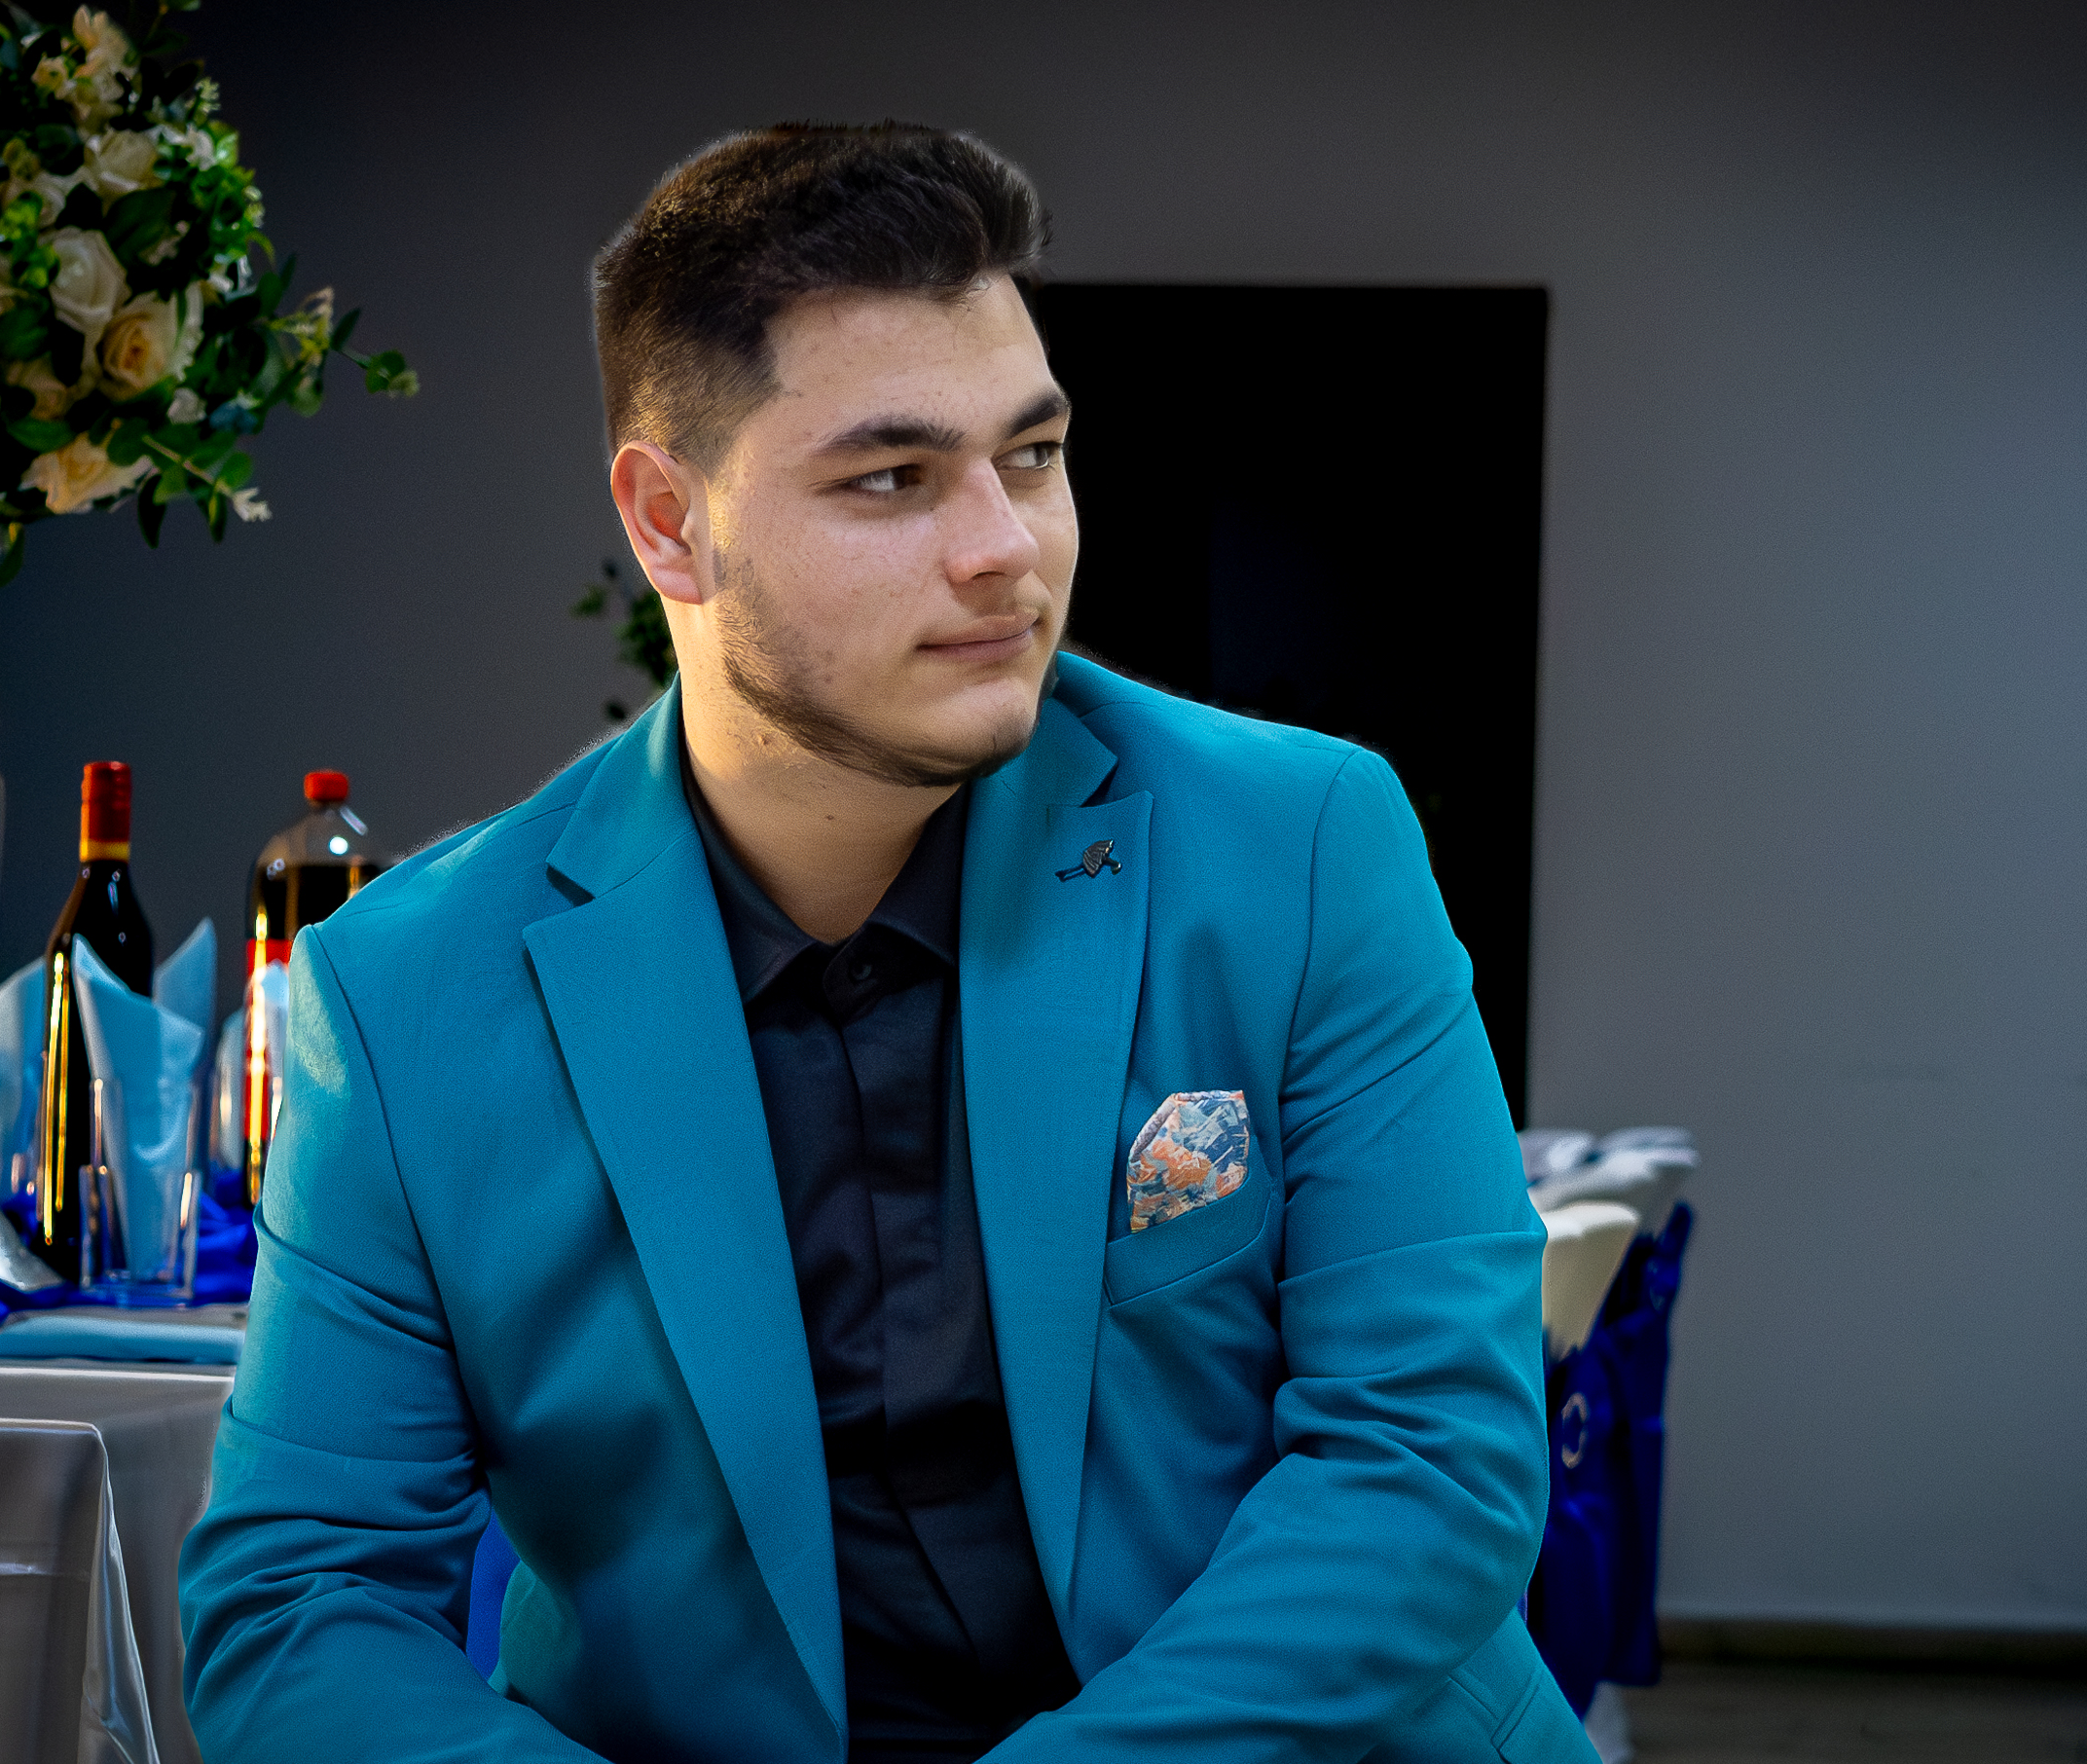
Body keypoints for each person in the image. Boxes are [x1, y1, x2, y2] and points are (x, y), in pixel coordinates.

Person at [179, 123, 1576, 1764]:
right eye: (892, 480)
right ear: (670, 524)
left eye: (1031, 456)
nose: (1005, 547)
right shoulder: (408, 992)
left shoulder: (1303, 846)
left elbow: (1426, 1460)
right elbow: (303, 1600)